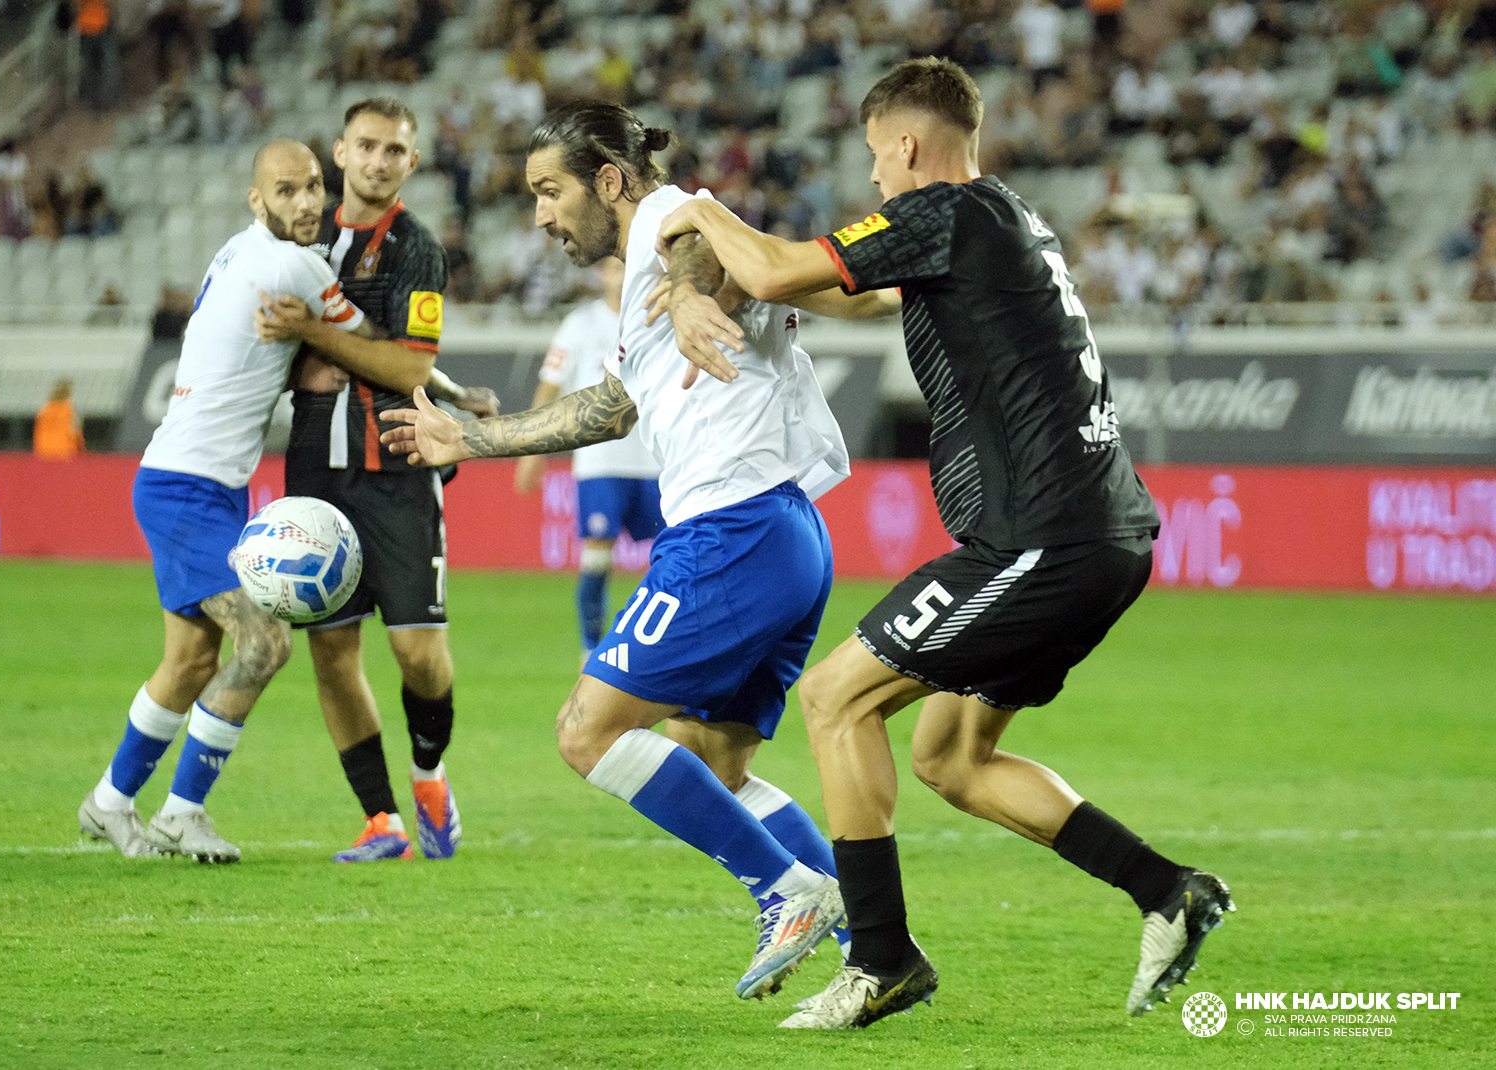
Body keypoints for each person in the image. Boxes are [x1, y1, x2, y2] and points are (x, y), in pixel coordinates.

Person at [655, 56, 1234, 1029]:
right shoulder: (999, 221)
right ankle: (1167, 890)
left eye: (878, 158)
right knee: (950, 756)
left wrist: (695, 207)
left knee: (834, 698)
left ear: (908, 145)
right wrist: (773, 288)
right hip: (1104, 533)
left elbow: (768, 264)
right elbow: (858, 295)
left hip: (1040, 535)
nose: (874, 177)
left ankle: (881, 957)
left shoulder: (940, 211)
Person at [370, 101, 896, 1001]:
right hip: (785, 533)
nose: (539, 215)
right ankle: (873, 938)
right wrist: (469, 440)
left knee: (587, 731)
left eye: (550, 192)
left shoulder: (665, 223)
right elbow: (609, 409)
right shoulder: (643, 279)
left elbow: (690, 239)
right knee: (714, 760)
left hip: (730, 530)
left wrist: (691, 288)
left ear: (609, 181)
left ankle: (785, 892)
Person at [77, 139, 441, 863]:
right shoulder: (295, 265)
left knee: (187, 662)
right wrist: (460, 398)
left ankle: (110, 803)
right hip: (188, 487)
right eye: (285, 192)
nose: (306, 203)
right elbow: (384, 351)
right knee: (265, 643)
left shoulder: (236, 252)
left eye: (313, 187)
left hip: (195, 480)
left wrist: (306, 359)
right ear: (258, 201)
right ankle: (181, 813)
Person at [261, 97, 499, 864]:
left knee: (418, 651)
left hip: (395, 465)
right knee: (331, 652)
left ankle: (429, 774)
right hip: (310, 469)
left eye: (394, 150)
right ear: (338, 152)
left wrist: (316, 337)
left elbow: (408, 364)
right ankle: (381, 821)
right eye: (366, 146)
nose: (377, 160)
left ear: (412, 163)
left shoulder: (416, 250)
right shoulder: (301, 235)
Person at [513, 255, 665, 664]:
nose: (620, 276)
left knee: (671, 559)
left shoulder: (660, 319)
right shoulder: (580, 325)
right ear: (602, 274)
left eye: (626, 268)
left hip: (657, 461)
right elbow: (550, 387)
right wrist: (532, 450)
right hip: (600, 461)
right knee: (597, 555)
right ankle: (590, 652)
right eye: (613, 268)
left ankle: (659, 648)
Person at [34, 379, 86, 459]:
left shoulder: (44, 407)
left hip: (43, 450)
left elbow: (37, 429)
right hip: (64, 450)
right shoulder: (69, 407)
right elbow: (75, 430)